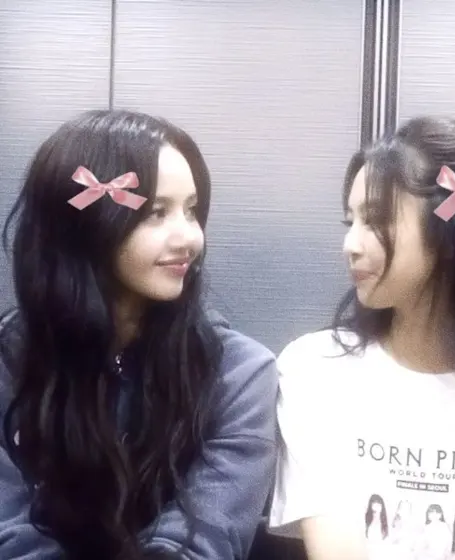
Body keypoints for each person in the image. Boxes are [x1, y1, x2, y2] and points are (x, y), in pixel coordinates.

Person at [268, 116, 455, 560]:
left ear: (451, 235)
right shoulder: (314, 370)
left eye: (375, 221)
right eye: (350, 221)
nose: (350, 244)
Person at [0, 110, 278, 560]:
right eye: (156, 213)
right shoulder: (10, 361)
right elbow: (10, 536)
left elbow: (203, 540)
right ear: (88, 225)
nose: (188, 238)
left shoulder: (239, 373)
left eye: (191, 210)